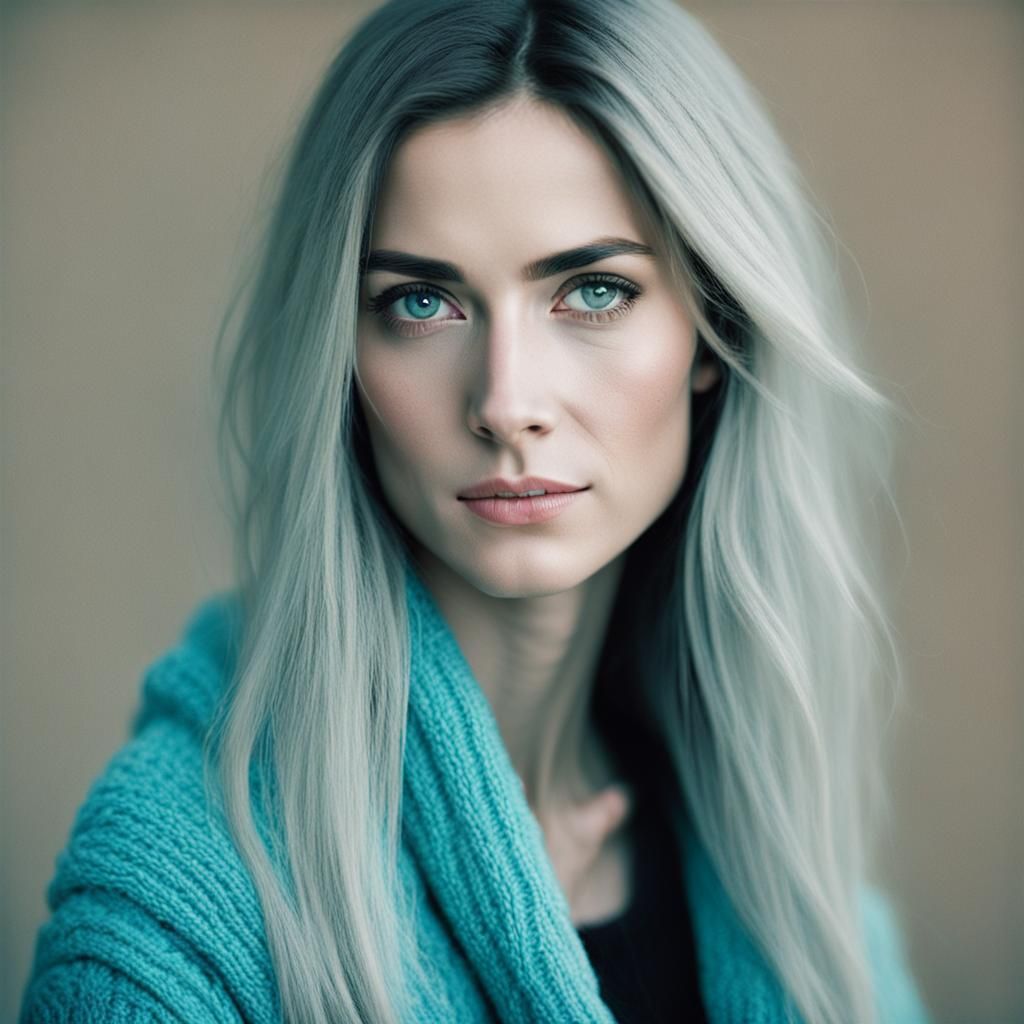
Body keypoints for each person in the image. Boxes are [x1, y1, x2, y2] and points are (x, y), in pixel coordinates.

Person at [19, 1, 934, 1022]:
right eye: (421, 302)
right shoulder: (164, 921)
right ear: (342, 357)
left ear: (713, 334)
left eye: (591, 290)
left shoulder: (794, 885)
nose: (505, 402)